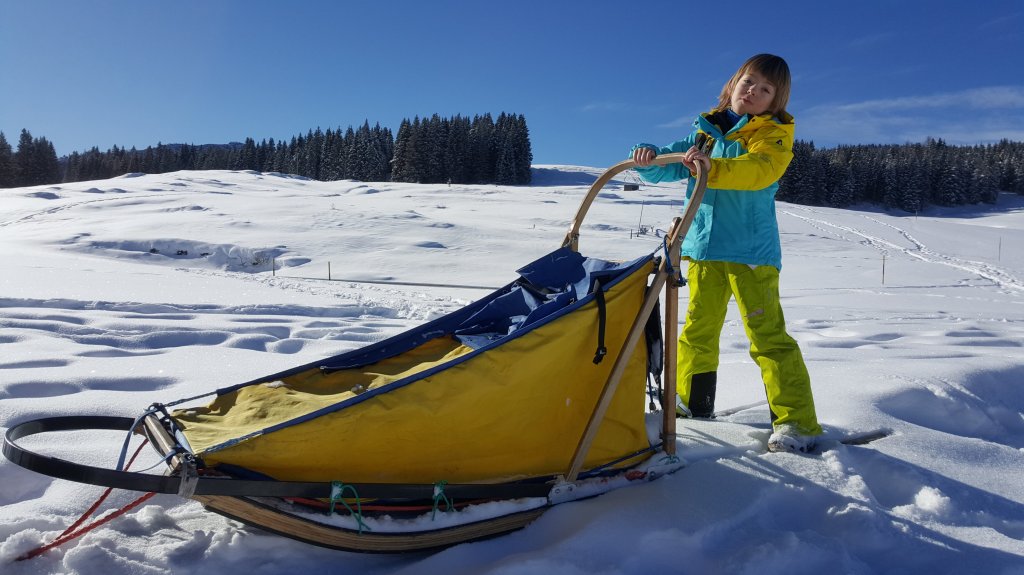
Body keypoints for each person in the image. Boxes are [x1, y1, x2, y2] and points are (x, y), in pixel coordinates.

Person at [630, 53, 822, 453]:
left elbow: (758, 172)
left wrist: (711, 168)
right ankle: (692, 404)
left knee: (767, 338)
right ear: (733, 85)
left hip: (751, 254)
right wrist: (648, 159)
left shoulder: (773, 135)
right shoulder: (705, 132)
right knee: (698, 333)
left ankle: (796, 422)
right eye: (748, 82)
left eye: (764, 89)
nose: (752, 91)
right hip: (703, 249)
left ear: (775, 101)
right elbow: (669, 165)